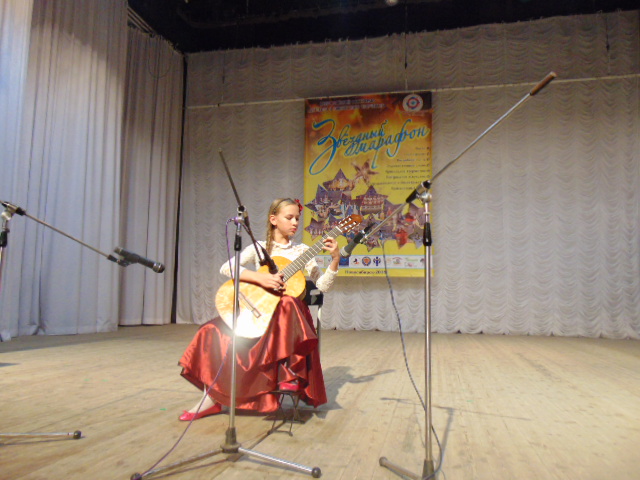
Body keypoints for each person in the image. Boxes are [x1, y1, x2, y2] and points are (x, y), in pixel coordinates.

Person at [178, 197, 340, 421]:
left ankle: (289, 374)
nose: (295, 222)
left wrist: (335, 260)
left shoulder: (303, 251)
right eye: (289, 217)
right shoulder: (259, 248)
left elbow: (323, 286)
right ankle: (212, 398)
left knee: (287, 302)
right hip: (260, 313)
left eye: (297, 218)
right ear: (273, 219)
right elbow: (227, 268)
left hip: (288, 321)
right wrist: (260, 279)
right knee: (210, 331)